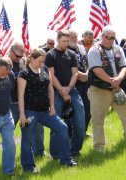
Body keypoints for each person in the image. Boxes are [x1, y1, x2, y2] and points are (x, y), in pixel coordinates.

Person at [18, 48, 77, 172]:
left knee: (62, 127)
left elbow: (50, 89)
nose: (42, 64)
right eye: (39, 61)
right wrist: (22, 114)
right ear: (32, 59)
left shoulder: (45, 69)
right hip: (30, 112)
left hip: (46, 111)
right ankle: (28, 167)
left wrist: (52, 106)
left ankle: (66, 159)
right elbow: (20, 95)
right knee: (27, 138)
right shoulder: (23, 73)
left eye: (43, 61)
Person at [46, 30, 85, 158]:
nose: (66, 44)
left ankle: (74, 150)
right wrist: (62, 91)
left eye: (68, 41)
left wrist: (68, 88)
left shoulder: (72, 54)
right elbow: (51, 75)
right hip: (56, 92)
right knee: (56, 124)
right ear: (58, 40)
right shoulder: (50, 55)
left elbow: (75, 73)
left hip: (71, 90)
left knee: (80, 122)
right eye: (64, 41)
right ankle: (56, 154)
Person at [87, 25, 126, 153]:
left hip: (116, 88)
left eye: (112, 38)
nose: (110, 40)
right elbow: (97, 70)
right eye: (107, 37)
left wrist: (119, 79)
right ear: (102, 36)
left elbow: (124, 66)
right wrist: (112, 80)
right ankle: (99, 148)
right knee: (98, 119)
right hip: (99, 89)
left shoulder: (118, 49)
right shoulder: (94, 50)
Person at [68, 30, 91, 137]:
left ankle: (83, 132)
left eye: (75, 36)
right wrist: (82, 75)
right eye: (71, 36)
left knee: (87, 109)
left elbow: (87, 63)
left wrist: (86, 74)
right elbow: (67, 68)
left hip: (85, 84)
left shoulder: (81, 48)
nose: (73, 38)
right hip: (73, 85)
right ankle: (71, 134)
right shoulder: (65, 50)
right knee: (74, 111)